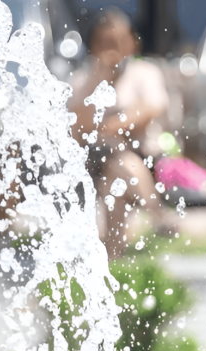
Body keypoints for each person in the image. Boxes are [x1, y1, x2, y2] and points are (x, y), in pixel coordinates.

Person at [67, 8, 176, 260]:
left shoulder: (144, 72)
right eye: (104, 43)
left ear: (132, 43)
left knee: (116, 175)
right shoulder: (84, 79)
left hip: (140, 156)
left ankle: (113, 257)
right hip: (91, 162)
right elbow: (77, 127)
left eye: (116, 42)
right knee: (113, 171)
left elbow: (151, 108)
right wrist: (100, 77)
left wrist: (111, 125)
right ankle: (157, 212)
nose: (111, 49)